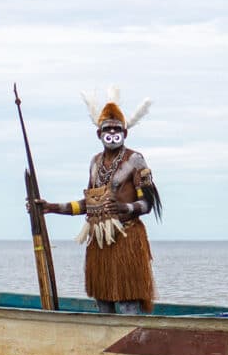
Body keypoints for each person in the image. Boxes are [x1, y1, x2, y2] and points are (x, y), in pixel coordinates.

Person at [36, 88, 162, 314]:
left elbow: (147, 205)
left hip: (127, 239)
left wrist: (125, 207)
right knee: (103, 301)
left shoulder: (135, 160)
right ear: (98, 134)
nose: (112, 132)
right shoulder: (95, 163)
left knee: (127, 300)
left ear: (125, 132)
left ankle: (129, 341)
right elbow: (88, 203)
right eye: (107, 129)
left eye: (116, 129)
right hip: (100, 242)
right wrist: (51, 208)